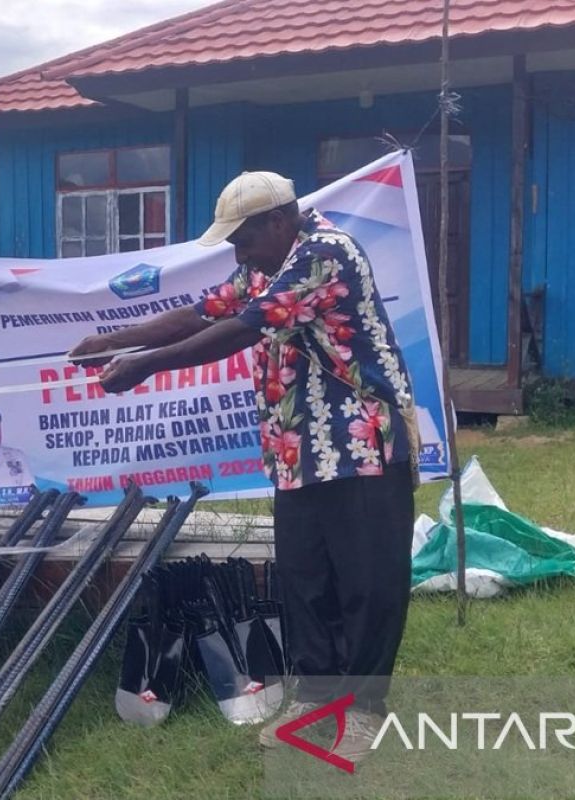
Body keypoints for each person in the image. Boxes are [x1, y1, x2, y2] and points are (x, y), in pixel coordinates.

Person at [70, 171, 418, 763]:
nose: (238, 253)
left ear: (277, 222)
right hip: (297, 448)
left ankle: (362, 711)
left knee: (368, 585)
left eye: (243, 240)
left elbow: (237, 331)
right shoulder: (268, 261)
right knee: (304, 581)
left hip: (361, 444)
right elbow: (203, 313)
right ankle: (314, 697)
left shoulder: (323, 254)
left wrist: (146, 366)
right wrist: (115, 339)